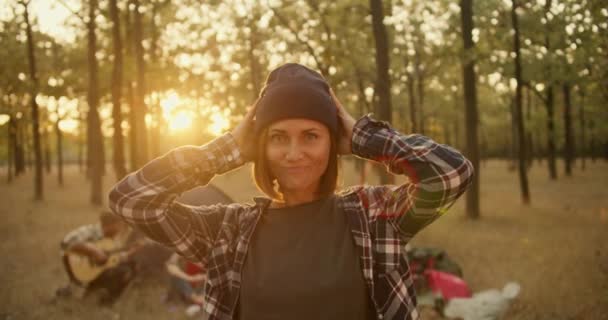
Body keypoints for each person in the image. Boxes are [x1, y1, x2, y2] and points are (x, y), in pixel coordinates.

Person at [108, 63, 474, 319]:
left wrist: (365, 137)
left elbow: (450, 174)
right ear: (260, 147)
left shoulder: (374, 217)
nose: (294, 153)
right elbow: (131, 200)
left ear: (333, 142)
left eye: (311, 136)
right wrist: (227, 150)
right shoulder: (228, 231)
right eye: (278, 138)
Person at [57, 211, 138, 306]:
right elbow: (66, 243)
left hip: (94, 270)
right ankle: (77, 289)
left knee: (128, 269)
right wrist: (93, 251)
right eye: (120, 225)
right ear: (111, 224)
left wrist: (133, 250)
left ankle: (105, 302)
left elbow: (116, 258)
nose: (121, 229)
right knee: (122, 270)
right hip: (75, 264)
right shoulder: (90, 231)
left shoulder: (112, 240)